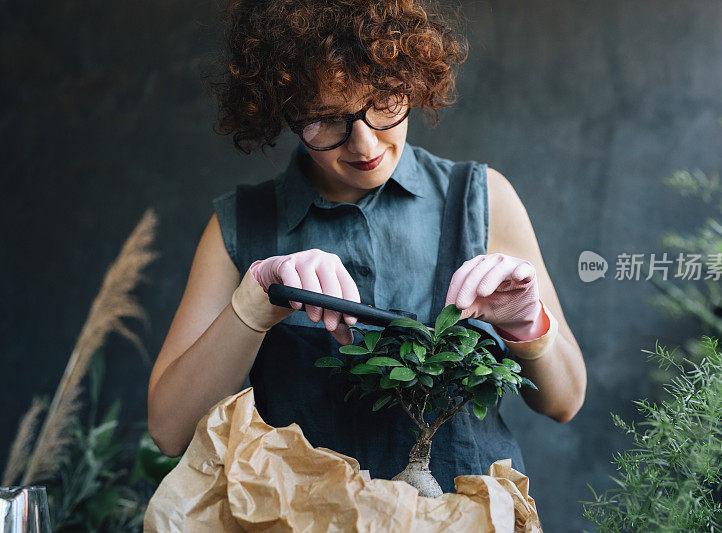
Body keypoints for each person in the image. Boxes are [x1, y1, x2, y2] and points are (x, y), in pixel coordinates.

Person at [147, 0, 586, 494]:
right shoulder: (239, 224)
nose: (364, 145)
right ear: (286, 111)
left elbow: (564, 401)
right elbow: (169, 430)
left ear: (414, 83)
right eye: (327, 120)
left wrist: (528, 322)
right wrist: (254, 300)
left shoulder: (482, 199)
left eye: (384, 102)